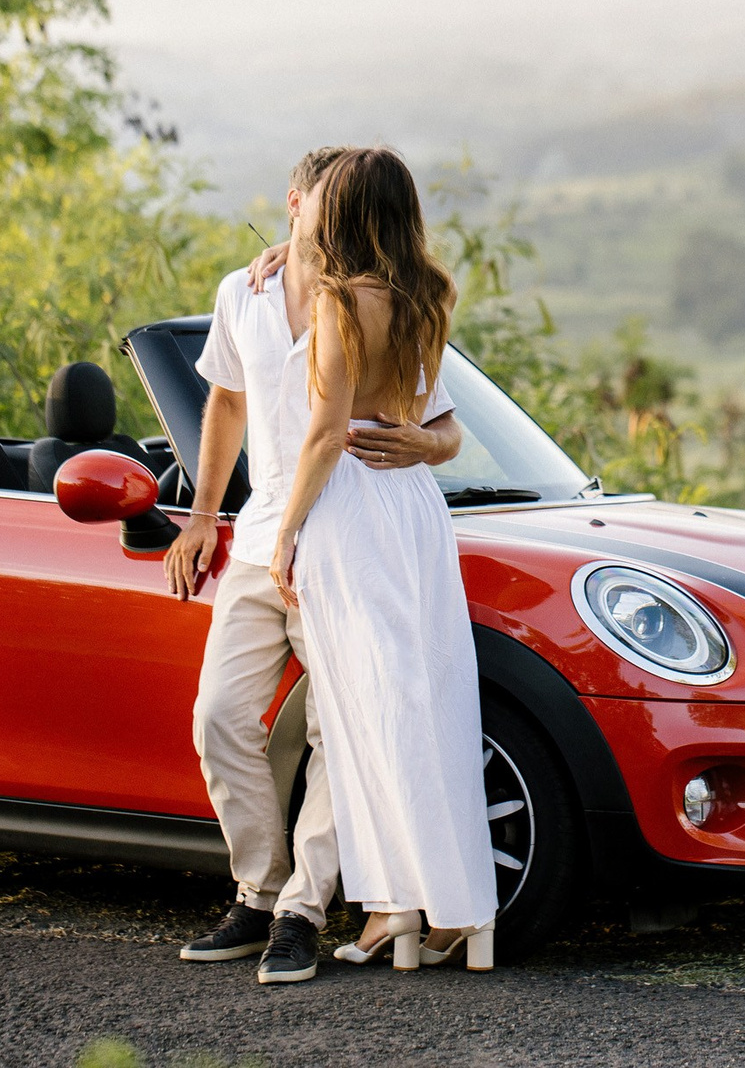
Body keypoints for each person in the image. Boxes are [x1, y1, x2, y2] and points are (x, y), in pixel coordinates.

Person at [164, 146, 464, 985]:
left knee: (341, 727)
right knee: (219, 715)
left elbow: (443, 425)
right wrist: (202, 514)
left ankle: (300, 909)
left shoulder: (373, 297)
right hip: (263, 537)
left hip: (346, 538)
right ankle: (256, 891)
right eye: (321, 201)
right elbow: (226, 402)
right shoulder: (242, 293)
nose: (332, 216)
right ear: (295, 203)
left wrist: (423, 444)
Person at [269, 147, 500, 973]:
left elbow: (325, 434)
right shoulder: (429, 296)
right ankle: (457, 910)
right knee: (429, 700)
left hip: (351, 510)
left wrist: (286, 532)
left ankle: (400, 903)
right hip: (413, 507)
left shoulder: (339, 302)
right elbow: (441, 422)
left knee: (369, 710)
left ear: (347, 211)